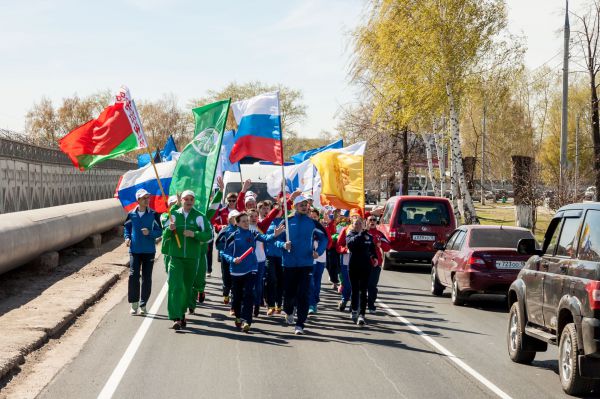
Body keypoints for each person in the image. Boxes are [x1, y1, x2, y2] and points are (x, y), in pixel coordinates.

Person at [220, 212, 285, 332]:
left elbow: (265, 239)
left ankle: (247, 321)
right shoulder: (233, 236)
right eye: (243, 221)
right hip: (236, 271)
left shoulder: (253, 233)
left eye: (247, 220)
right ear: (237, 223)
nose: (246, 223)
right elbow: (224, 252)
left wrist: (274, 235)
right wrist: (233, 259)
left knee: (249, 294)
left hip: (251, 268)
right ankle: (238, 316)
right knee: (237, 297)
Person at [276, 195, 328, 335]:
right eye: (301, 205)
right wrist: (283, 244)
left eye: (306, 205)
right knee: (289, 294)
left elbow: (324, 238)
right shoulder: (287, 221)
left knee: (304, 294)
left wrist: (319, 251)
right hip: (289, 263)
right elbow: (276, 239)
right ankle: (289, 310)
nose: (304, 207)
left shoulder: (312, 223)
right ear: (295, 206)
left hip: (306, 263)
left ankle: (300, 324)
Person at [161, 190, 213, 331]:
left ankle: (182, 313)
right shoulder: (173, 215)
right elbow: (164, 236)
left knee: (186, 288)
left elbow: (209, 236)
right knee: (175, 286)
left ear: (194, 201)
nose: (189, 201)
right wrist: (169, 230)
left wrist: (194, 234)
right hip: (175, 257)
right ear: (181, 200)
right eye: (186, 199)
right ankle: (176, 317)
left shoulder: (199, 217)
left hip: (192, 258)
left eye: (191, 199)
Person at [124, 189, 163, 315]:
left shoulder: (153, 214)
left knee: (147, 278)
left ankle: (143, 304)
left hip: (149, 251)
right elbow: (127, 228)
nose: (147, 200)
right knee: (133, 276)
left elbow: (160, 231)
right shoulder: (131, 214)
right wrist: (127, 238)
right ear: (138, 200)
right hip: (134, 250)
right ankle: (134, 304)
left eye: (148, 197)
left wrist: (150, 233)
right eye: (144, 198)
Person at [346, 216, 378, 326]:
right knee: (355, 290)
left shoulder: (368, 236)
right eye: (356, 224)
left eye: (360, 223)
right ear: (352, 225)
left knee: (363, 291)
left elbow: (372, 249)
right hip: (353, 266)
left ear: (363, 224)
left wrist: (374, 257)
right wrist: (361, 234)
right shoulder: (350, 235)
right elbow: (351, 245)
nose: (358, 225)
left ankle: (362, 315)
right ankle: (354, 309)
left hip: (366, 267)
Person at [336, 208, 363, 312]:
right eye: (353, 216)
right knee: (347, 284)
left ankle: (354, 303)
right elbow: (338, 246)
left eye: (357, 216)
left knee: (357, 285)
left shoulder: (365, 232)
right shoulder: (345, 230)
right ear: (350, 218)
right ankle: (344, 300)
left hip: (360, 263)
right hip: (346, 262)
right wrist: (345, 250)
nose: (355, 218)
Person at [215, 210, 239, 309]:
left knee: (235, 281)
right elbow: (217, 244)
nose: (236, 220)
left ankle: (234, 305)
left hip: (237, 259)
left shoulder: (242, 229)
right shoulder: (225, 230)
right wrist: (227, 248)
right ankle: (225, 292)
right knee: (226, 279)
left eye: (238, 217)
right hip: (225, 258)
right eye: (234, 218)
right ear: (229, 219)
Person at [366, 215, 391, 313]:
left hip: (376, 264)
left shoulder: (379, 234)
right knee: (362, 285)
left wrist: (381, 244)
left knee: (372, 285)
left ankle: (371, 305)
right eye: (370, 220)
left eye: (374, 220)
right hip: (363, 263)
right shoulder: (363, 233)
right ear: (366, 222)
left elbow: (388, 247)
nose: (372, 221)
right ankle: (358, 305)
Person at [308, 208, 331, 315]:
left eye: (315, 217)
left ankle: (315, 300)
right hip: (310, 258)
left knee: (317, 282)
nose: (313, 219)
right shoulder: (307, 227)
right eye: (311, 217)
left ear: (318, 217)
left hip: (321, 258)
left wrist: (320, 246)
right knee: (310, 282)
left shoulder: (323, 228)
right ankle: (311, 303)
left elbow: (329, 243)